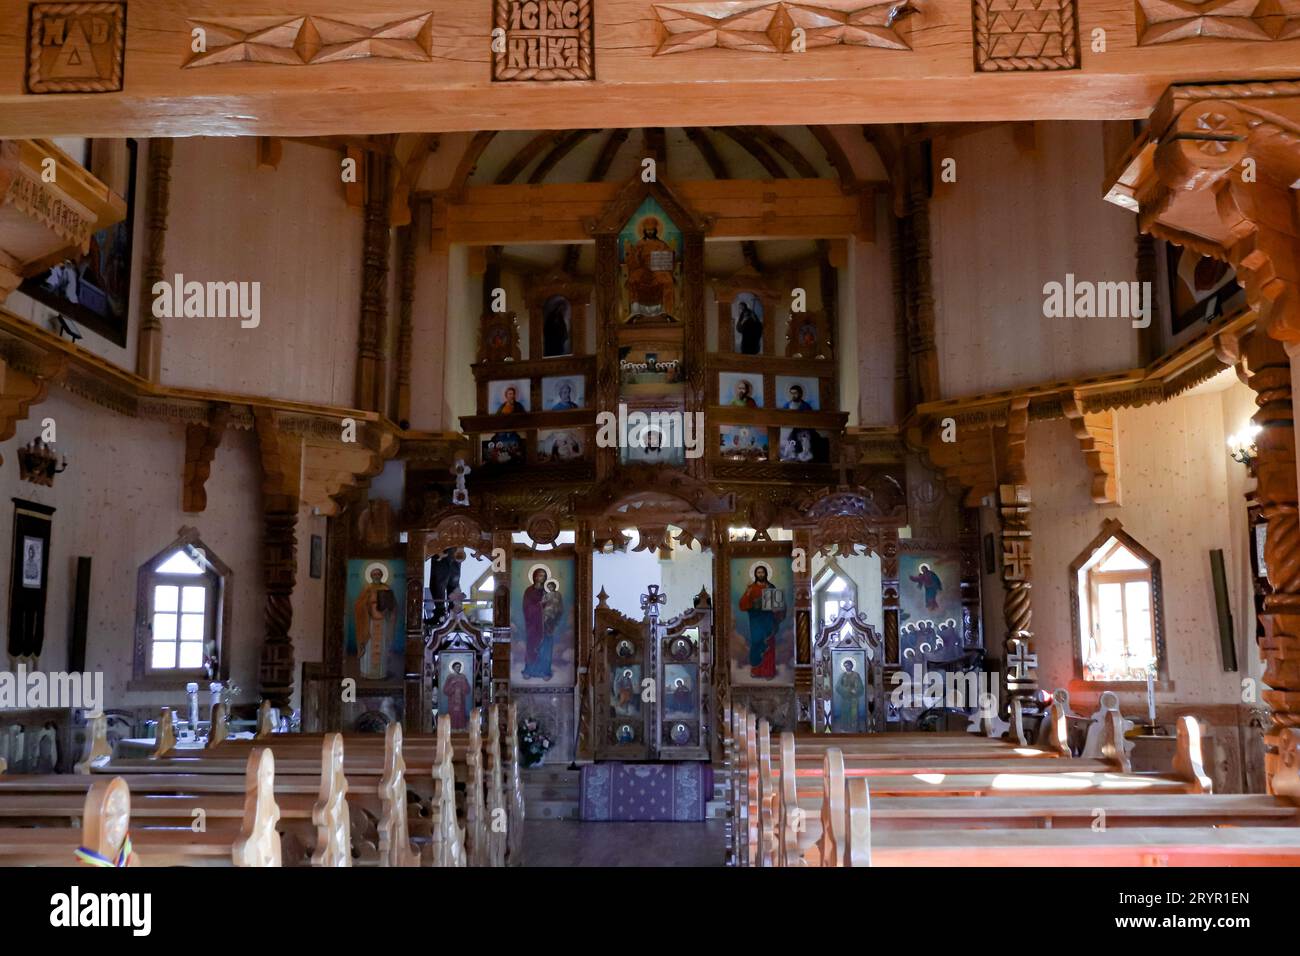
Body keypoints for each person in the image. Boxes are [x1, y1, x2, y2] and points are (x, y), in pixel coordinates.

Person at [738, 564, 785, 679]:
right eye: (758, 572)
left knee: (769, 643)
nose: (760, 574)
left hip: (769, 620)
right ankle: (756, 670)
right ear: (755, 574)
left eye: (762, 572)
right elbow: (742, 605)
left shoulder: (771, 587)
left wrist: (776, 609)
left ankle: (768, 671)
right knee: (757, 643)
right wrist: (749, 594)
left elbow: (778, 604)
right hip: (756, 621)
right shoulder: (751, 588)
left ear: (766, 573)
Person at [443, 661, 472, 731]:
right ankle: (452, 729)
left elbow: (468, 689)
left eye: (459, 667)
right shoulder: (450, 677)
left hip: (461, 700)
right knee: (453, 714)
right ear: (453, 668)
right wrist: (452, 684)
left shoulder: (463, 677)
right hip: (452, 701)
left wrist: (463, 685)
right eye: (457, 667)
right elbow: (445, 690)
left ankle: (461, 729)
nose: (458, 668)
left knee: (461, 714)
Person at [836, 658, 865, 729]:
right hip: (845, 699)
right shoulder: (842, 676)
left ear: (852, 666)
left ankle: (854, 728)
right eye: (845, 666)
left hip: (854, 699)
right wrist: (846, 689)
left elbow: (861, 687)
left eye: (848, 665)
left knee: (854, 713)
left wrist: (855, 690)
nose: (847, 667)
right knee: (845, 713)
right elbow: (838, 687)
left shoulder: (856, 675)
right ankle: (845, 727)